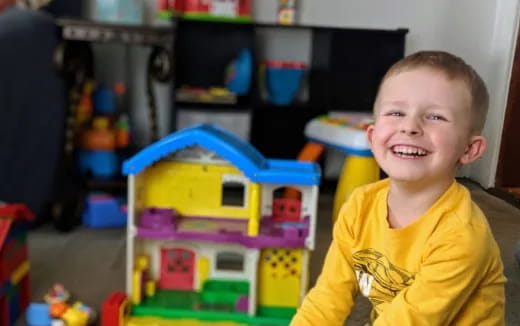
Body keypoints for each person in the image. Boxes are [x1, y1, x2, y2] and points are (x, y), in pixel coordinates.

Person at [290, 51, 506, 325]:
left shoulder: (461, 236)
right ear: (372, 135)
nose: (410, 126)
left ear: (469, 149)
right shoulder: (360, 206)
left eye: (436, 117)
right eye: (396, 112)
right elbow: (328, 297)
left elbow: (410, 320)